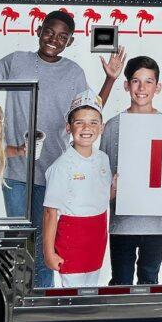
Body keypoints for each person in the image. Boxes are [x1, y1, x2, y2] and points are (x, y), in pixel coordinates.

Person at [0, 8, 124, 287]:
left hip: (53, 174)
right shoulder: (17, 61)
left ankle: (41, 301)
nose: (53, 39)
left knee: (47, 244)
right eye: (49, 31)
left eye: (62, 36)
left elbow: (89, 112)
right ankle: (21, 297)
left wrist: (110, 79)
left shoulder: (73, 72)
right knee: (21, 241)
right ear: (38, 30)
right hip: (17, 173)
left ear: (69, 42)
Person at [99, 56, 162, 285]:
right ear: (127, 85)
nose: (142, 88)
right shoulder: (113, 125)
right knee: (121, 280)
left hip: (155, 223)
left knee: (149, 277)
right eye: (136, 81)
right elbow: (102, 170)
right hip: (122, 223)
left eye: (149, 82)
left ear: (157, 87)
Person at [43, 90, 112, 288]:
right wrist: (49, 252)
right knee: (73, 292)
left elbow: (103, 194)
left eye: (93, 122)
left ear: (101, 127)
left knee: (92, 287)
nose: (86, 128)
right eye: (79, 122)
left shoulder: (103, 159)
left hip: (97, 234)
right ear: (68, 127)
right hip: (73, 236)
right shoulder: (62, 166)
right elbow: (50, 212)